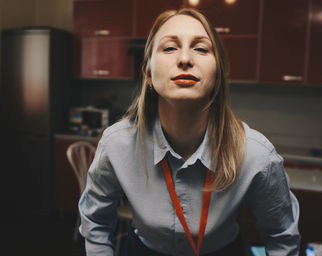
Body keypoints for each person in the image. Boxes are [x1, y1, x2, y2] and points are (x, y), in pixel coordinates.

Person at [79, 8, 300, 256]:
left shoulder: (256, 154)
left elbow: (282, 237)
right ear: (148, 74)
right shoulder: (116, 144)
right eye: (170, 48)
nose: (185, 58)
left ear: (218, 76)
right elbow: (96, 223)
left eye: (201, 49)